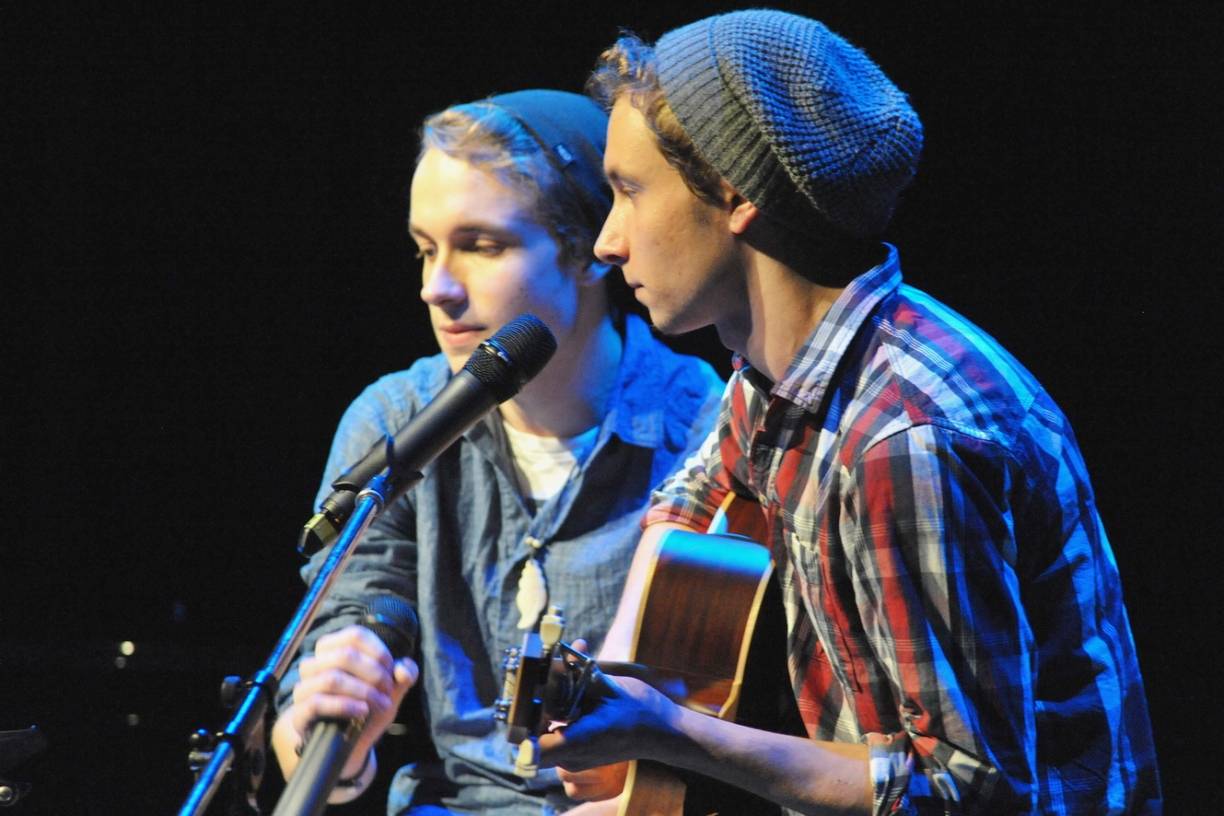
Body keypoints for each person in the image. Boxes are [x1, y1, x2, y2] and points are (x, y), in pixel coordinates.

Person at [539, 10, 1162, 815]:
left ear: (734, 194)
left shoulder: (899, 440)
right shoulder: (778, 372)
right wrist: (628, 684)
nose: (606, 243)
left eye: (628, 191)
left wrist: (662, 732)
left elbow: (965, 790)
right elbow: (690, 503)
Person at [269, 89, 724, 815]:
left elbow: (735, 712)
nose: (435, 288)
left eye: (481, 245)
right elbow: (349, 626)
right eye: (425, 250)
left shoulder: (704, 425)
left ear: (587, 251)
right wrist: (322, 732)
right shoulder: (394, 421)